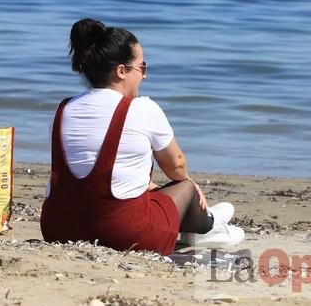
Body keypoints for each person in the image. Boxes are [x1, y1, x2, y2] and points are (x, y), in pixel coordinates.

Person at [40, 18, 244, 255]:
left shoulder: (64, 109)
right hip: (121, 233)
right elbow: (176, 167)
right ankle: (208, 226)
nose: (144, 75)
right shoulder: (142, 108)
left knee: (148, 190)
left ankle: (205, 219)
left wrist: (144, 184)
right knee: (186, 186)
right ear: (121, 71)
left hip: (58, 228)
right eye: (141, 67)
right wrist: (193, 189)